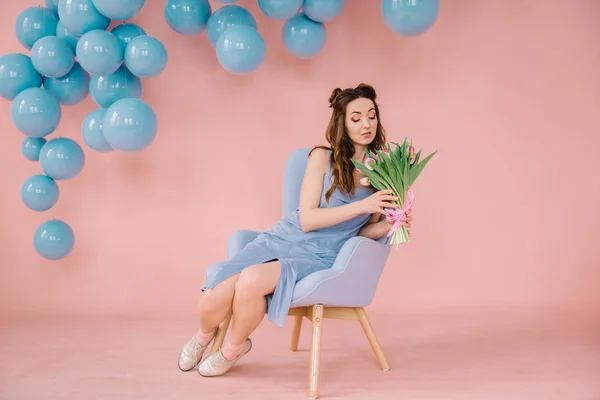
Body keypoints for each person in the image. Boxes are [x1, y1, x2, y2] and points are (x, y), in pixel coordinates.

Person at [177, 83, 413, 377]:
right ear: (342, 122)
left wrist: (386, 225)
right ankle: (202, 337)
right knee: (217, 290)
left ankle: (232, 349)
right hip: (284, 237)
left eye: (371, 116)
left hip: (322, 255)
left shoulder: (381, 173)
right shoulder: (321, 157)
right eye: (356, 118)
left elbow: (358, 234)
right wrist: (363, 207)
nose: (366, 124)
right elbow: (307, 220)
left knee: (250, 281)